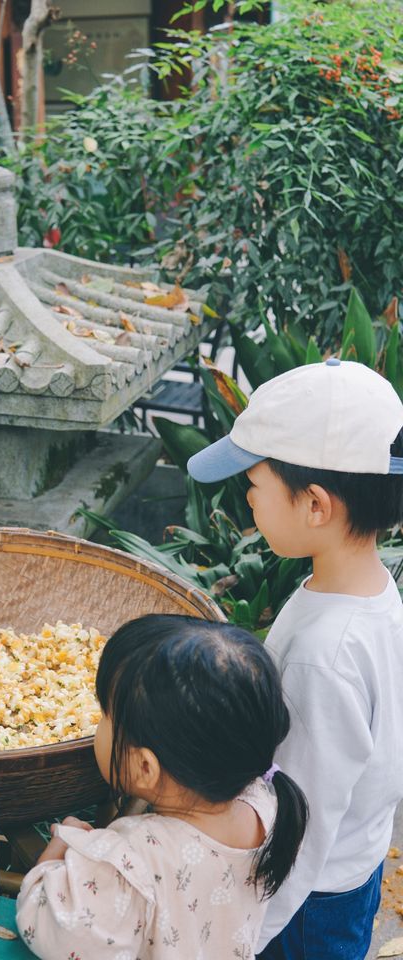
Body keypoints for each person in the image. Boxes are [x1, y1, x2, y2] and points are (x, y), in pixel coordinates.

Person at [187, 358, 403, 960]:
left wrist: (246, 935)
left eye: (253, 487)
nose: (248, 502)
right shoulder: (370, 589)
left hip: (307, 902)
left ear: (315, 506)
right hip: (352, 867)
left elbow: (303, 821)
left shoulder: (323, 656)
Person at [16, 614, 307, 959]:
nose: (99, 724)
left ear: (144, 767)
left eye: (104, 714)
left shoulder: (130, 863)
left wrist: (49, 862)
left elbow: (57, 934)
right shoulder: (265, 802)